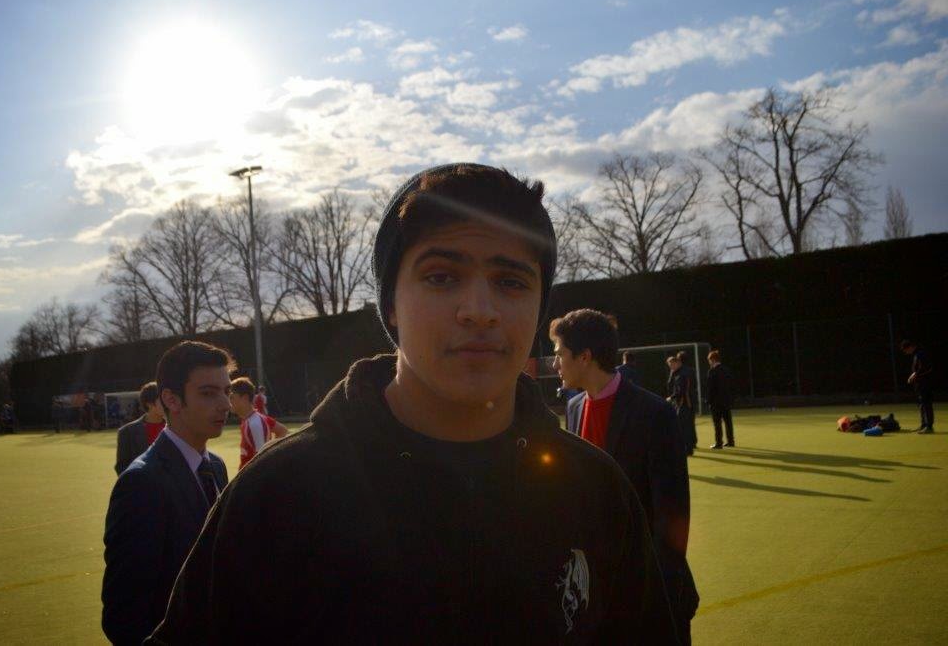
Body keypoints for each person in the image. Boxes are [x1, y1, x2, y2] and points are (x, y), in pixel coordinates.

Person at [149, 163, 677, 644]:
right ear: (391, 306)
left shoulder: (595, 488)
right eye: (441, 276)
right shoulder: (277, 494)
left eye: (511, 281)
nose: (479, 310)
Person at [553, 309, 698, 643]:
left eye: (559, 354)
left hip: (650, 591)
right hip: (598, 592)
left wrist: (660, 590)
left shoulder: (655, 413)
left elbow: (672, 511)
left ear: (585, 357)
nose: (556, 364)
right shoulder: (574, 408)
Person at [102, 341, 233, 645]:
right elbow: (124, 618)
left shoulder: (215, 466)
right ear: (171, 400)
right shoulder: (141, 483)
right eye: (208, 393)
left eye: (226, 391)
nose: (225, 404)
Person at [230, 376, 290, 469]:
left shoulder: (255, 424)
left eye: (232, 397)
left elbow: (261, 462)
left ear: (245, 398)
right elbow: (282, 430)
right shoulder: (251, 420)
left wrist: (272, 452)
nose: (229, 402)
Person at [114, 382, 167, 476]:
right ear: (149, 404)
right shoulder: (127, 432)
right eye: (162, 400)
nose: (166, 403)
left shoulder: (176, 429)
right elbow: (122, 467)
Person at [901, 339, 935, 433]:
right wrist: (914, 375)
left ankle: (929, 426)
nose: (906, 352)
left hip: (925, 383)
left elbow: (927, 367)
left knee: (926, 404)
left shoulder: (920, 354)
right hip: (920, 384)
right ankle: (923, 425)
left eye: (906, 350)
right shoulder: (917, 354)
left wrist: (915, 374)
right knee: (921, 404)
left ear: (910, 347)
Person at [667, 355, 696, 456]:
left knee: (684, 427)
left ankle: (687, 449)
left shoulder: (682, 374)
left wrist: (671, 397)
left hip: (684, 403)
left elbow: (681, 390)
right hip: (683, 403)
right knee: (685, 427)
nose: (671, 368)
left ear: (677, 363)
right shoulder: (679, 372)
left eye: (671, 365)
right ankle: (688, 448)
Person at [705, 350, 735, 448]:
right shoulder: (726, 370)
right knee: (728, 422)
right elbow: (731, 385)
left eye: (709, 360)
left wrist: (708, 400)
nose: (709, 362)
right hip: (726, 400)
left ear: (712, 360)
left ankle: (719, 443)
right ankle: (731, 441)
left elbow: (710, 388)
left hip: (716, 402)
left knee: (717, 423)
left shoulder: (712, 371)